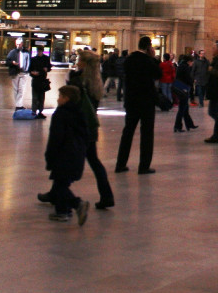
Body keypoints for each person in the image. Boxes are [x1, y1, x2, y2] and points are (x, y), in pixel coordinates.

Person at [66, 50, 114, 210]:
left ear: (85, 64)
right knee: (93, 161)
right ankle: (107, 195)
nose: (77, 62)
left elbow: (69, 103)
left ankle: (58, 192)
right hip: (90, 127)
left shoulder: (77, 81)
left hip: (77, 127)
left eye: (80, 60)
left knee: (65, 161)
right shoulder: (96, 82)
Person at [43, 85, 91, 225]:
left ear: (66, 98)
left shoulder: (60, 114)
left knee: (60, 186)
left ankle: (77, 204)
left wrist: (50, 157)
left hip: (63, 155)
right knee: (61, 183)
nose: (58, 99)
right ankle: (62, 211)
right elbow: (86, 135)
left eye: (60, 96)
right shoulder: (79, 112)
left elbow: (55, 138)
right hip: (77, 154)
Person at [116, 36, 161, 174]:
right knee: (147, 134)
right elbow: (158, 74)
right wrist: (154, 58)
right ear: (148, 47)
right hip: (146, 101)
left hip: (131, 100)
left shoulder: (129, 59)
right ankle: (144, 166)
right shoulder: (148, 60)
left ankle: (120, 164)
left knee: (128, 132)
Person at [173, 55, 197, 132]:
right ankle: (177, 126)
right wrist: (192, 81)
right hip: (183, 88)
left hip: (179, 87)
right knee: (182, 108)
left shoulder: (180, 66)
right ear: (189, 61)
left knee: (185, 108)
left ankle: (189, 124)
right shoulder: (185, 67)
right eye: (192, 62)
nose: (192, 64)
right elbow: (187, 78)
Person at [5, 38, 30, 111]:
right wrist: (12, 63)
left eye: (19, 44)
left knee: (21, 89)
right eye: (17, 44)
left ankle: (18, 106)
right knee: (16, 89)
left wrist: (27, 70)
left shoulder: (26, 52)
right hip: (15, 72)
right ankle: (19, 105)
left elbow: (28, 61)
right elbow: (7, 62)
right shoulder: (12, 52)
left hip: (24, 72)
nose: (18, 45)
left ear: (22, 44)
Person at [29, 46, 52, 118]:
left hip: (42, 80)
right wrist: (33, 73)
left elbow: (49, 67)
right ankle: (34, 111)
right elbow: (30, 70)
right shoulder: (33, 59)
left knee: (41, 97)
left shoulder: (46, 59)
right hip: (36, 80)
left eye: (40, 51)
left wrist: (47, 69)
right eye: (38, 51)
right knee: (35, 97)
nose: (39, 52)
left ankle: (40, 111)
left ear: (42, 51)